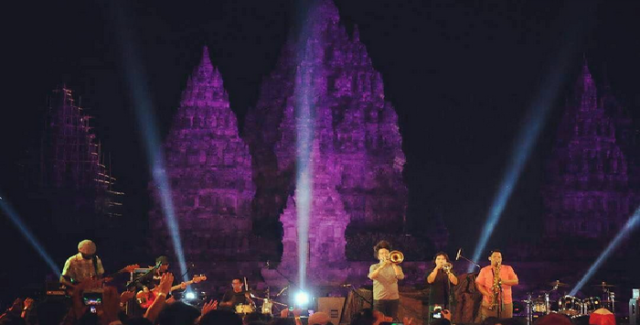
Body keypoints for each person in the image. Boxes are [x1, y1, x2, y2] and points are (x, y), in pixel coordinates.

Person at [475, 250, 518, 320]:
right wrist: (488, 294)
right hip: (489, 302)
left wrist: (502, 281)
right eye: (494, 257)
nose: (497, 259)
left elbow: (516, 281)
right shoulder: (484, 270)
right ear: (490, 258)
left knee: (507, 322)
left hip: (506, 302)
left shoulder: (508, 268)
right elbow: (479, 285)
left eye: (499, 257)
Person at [367, 240, 404, 320]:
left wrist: (393, 264)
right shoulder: (374, 267)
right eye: (382, 253)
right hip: (380, 299)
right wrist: (382, 265)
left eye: (386, 253)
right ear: (378, 256)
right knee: (380, 321)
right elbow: (371, 276)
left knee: (392, 320)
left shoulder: (397, 267)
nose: (384, 255)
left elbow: (400, 277)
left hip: (393, 299)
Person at [426, 252, 458, 324]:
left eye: (443, 259)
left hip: (449, 301)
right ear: (435, 261)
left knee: (448, 321)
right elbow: (429, 280)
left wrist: (448, 271)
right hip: (435, 301)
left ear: (446, 261)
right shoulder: (431, 271)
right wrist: (437, 268)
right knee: (435, 321)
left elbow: (455, 282)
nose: (441, 261)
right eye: (438, 259)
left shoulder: (450, 271)